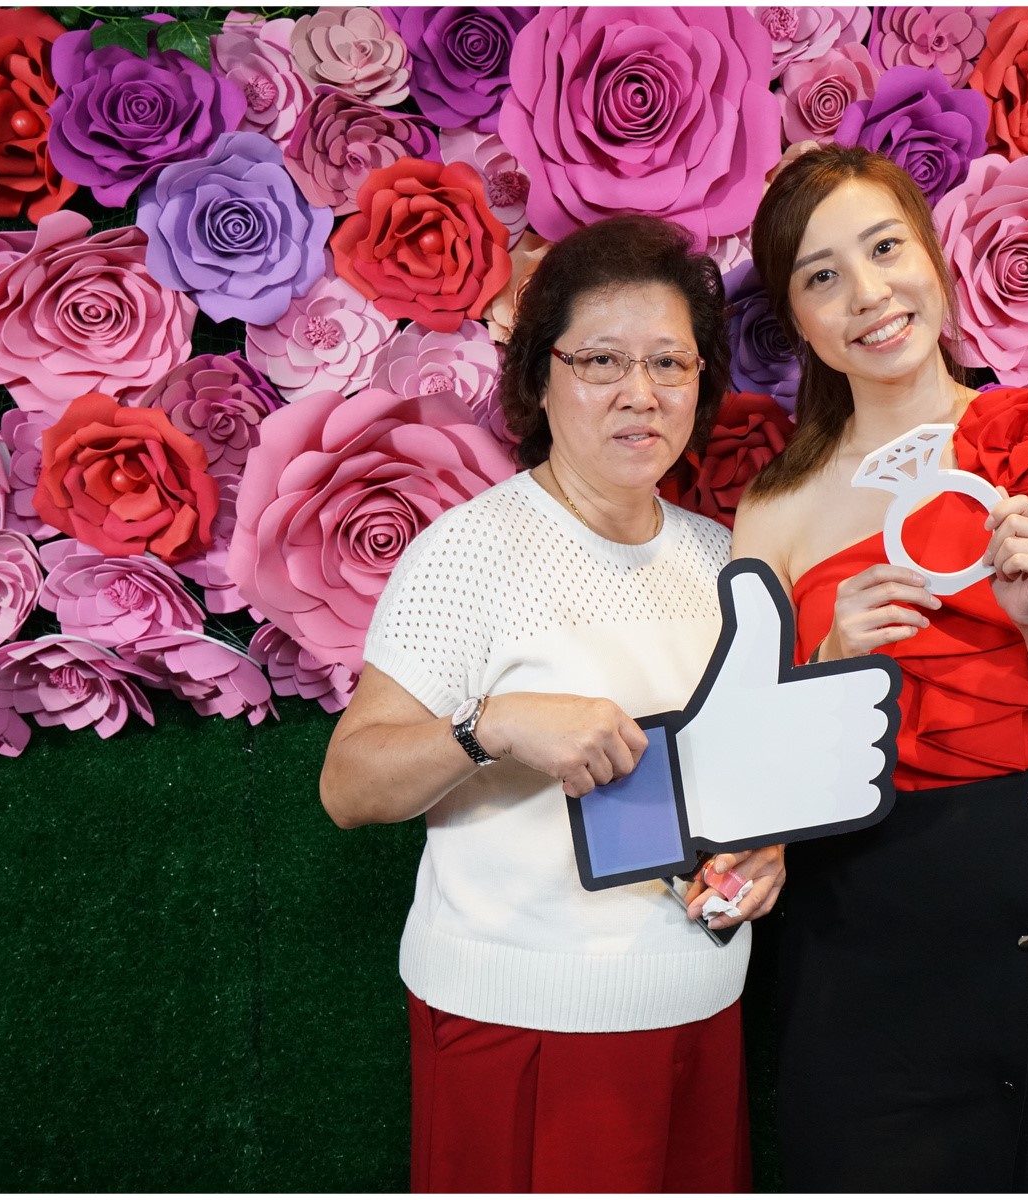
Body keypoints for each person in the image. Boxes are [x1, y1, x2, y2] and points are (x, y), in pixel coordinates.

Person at [319, 214, 783, 1193]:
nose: (640, 392)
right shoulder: (465, 552)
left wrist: (764, 853)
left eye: (671, 362)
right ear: (538, 375)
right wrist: (489, 727)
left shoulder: (722, 560)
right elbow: (349, 787)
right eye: (602, 359)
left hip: (700, 1006)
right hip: (519, 1025)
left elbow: (741, 778)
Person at [733, 145, 1028, 1191]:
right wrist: (830, 659)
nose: (868, 295)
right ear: (797, 320)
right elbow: (750, 774)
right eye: (822, 275)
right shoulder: (775, 510)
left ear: (932, 253)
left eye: (885, 249)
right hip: (850, 931)